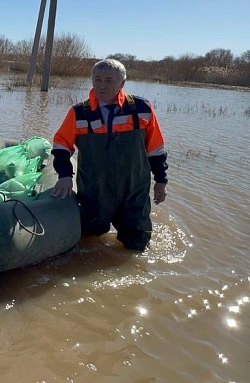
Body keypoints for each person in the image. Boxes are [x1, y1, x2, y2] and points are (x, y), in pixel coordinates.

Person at [50, 58, 168, 251]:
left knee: (137, 244)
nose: (101, 86)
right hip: (94, 190)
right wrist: (64, 176)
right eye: (97, 80)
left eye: (108, 80)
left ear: (122, 83)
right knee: (87, 243)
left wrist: (161, 182)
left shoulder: (142, 108)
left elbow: (155, 149)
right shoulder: (79, 112)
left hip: (134, 189)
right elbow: (61, 145)